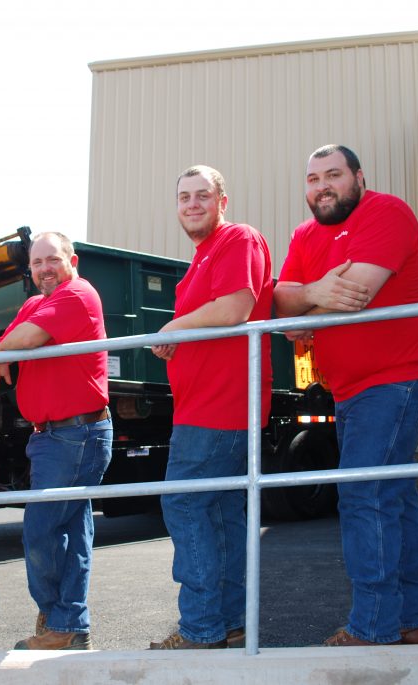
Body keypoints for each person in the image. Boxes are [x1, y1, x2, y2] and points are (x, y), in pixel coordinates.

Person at [273, 144, 418, 646]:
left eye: (333, 175)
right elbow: (281, 301)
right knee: (395, 498)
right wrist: (312, 295)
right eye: (312, 178)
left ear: (359, 178)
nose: (322, 186)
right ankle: (410, 622)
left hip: (398, 378)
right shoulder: (305, 235)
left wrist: (307, 306)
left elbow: (357, 294)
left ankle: (373, 628)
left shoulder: (386, 212)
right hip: (348, 390)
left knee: (364, 494)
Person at [0, 232, 112, 650]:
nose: (45, 269)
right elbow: (8, 344)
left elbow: (21, 341)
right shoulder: (34, 303)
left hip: (76, 433)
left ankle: (58, 618)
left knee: (42, 529)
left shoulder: (77, 295)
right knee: (71, 530)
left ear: (72, 261)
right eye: (37, 262)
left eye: (53, 260)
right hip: (54, 435)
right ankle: (68, 623)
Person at [149, 165, 274, 649]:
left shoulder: (238, 238)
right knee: (221, 515)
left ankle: (201, 629)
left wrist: (174, 329)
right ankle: (229, 623)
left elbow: (235, 307)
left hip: (219, 408)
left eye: (203, 195)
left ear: (223, 201)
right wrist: (178, 339)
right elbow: (210, 318)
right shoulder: (199, 261)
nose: (193, 204)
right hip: (204, 406)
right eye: (184, 197)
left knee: (185, 504)